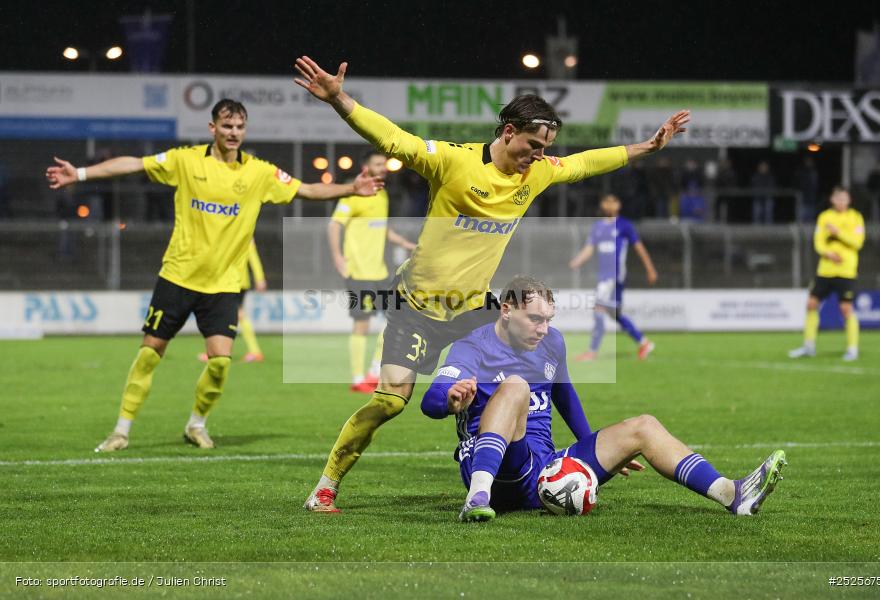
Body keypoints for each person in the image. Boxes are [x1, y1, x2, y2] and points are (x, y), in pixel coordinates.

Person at [293, 55, 689, 512]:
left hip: (475, 308)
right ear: (508, 132)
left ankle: (540, 465)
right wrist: (339, 99)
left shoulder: (536, 173)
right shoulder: (454, 162)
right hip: (415, 309)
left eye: (545, 148)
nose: (538, 156)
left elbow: (584, 163)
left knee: (540, 362)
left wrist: (647, 147)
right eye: (533, 145)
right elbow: (394, 139)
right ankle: (325, 487)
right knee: (390, 403)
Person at [45, 98, 383, 452]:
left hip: (223, 285)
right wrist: (79, 174)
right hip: (177, 277)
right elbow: (134, 164)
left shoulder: (259, 173)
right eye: (227, 126)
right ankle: (121, 430)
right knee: (149, 354)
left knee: (220, 362)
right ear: (213, 128)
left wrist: (350, 188)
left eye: (239, 127)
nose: (233, 132)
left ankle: (196, 424)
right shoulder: (186, 160)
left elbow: (308, 189)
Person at [421, 275, 787, 521]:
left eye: (548, 319)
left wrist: (593, 448)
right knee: (517, 386)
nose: (544, 329)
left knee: (643, 426)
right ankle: (477, 498)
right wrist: (450, 400)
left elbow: (564, 394)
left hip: (544, 466)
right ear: (506, 310)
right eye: (534, 319)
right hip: (498, 472)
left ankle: (731, 494)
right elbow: (432, 401)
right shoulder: (473, 346)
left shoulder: (551, 342)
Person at [328, 150, 416, 393]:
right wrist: (337, 256)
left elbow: (382, 228)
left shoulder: (382, 194)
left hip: (380, 271)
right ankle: (358, 378)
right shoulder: (353, 194)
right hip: (359, 272)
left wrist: (405, 243)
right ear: (365, 167)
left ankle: (374, 370)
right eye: (378, 164)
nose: (383, 167)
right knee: (362, 324)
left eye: (384, 163)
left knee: (395, 319)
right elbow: (334, 224)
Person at [568, 194, 657, 361]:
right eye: (606, 202)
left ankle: (592, 352)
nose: (609, 205)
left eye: (613, 202)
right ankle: (644, 342)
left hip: (615, 276)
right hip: (604, 276)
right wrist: (577, 261)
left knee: (598, 308)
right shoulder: (598, 227)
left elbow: (639, 248)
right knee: (615, 314)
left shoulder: (624, 225)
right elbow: (589, 249)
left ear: (619, 205)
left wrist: (650, 269)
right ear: (602, 205)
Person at [789, 186, 865, 362]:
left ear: (849, 200)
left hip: (846, 271)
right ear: (832, 199)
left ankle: (852, 348)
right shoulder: (825, 217)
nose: (841, 201)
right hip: (825, 270)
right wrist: (828, 253)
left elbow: (858, 242)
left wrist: (839, 233)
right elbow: (818, 242)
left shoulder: (855, 217)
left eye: (844, 198)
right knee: (811, 304)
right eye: (838, 198)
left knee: (846, 308)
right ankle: (808, 346)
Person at [198, 238, 267, 364]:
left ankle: (253, 351)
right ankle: (222, 350)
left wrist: (260, 278)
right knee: (228, 315)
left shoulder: (243, 234)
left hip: (235, 282)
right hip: (230, 281)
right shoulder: (238, 233)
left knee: (234, 314)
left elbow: (252, 256)